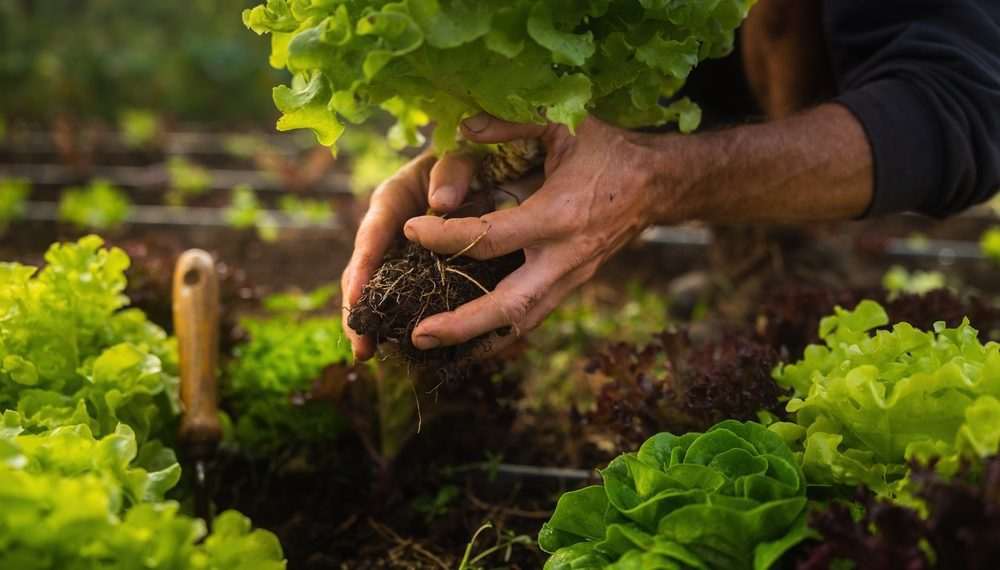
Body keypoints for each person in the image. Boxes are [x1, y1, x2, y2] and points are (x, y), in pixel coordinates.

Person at [342, 0, 1000, 362]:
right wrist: (502, 143)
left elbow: (961, 101)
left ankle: (790, 256)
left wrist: (652, 178)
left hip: (824, 67)